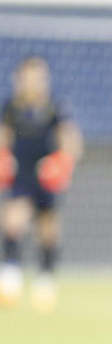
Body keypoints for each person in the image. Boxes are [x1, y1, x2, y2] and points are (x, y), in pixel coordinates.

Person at [0, 56, 83, 312]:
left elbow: (71, 139)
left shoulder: (55, 108)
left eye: (39, 77)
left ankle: (45, 281)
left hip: (47, 174)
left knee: (48, 229)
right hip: (22, 173)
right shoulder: (11, 108)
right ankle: (10, 276)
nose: (34, 83)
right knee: (13, 221)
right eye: (29, 77)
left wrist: (64, 162)